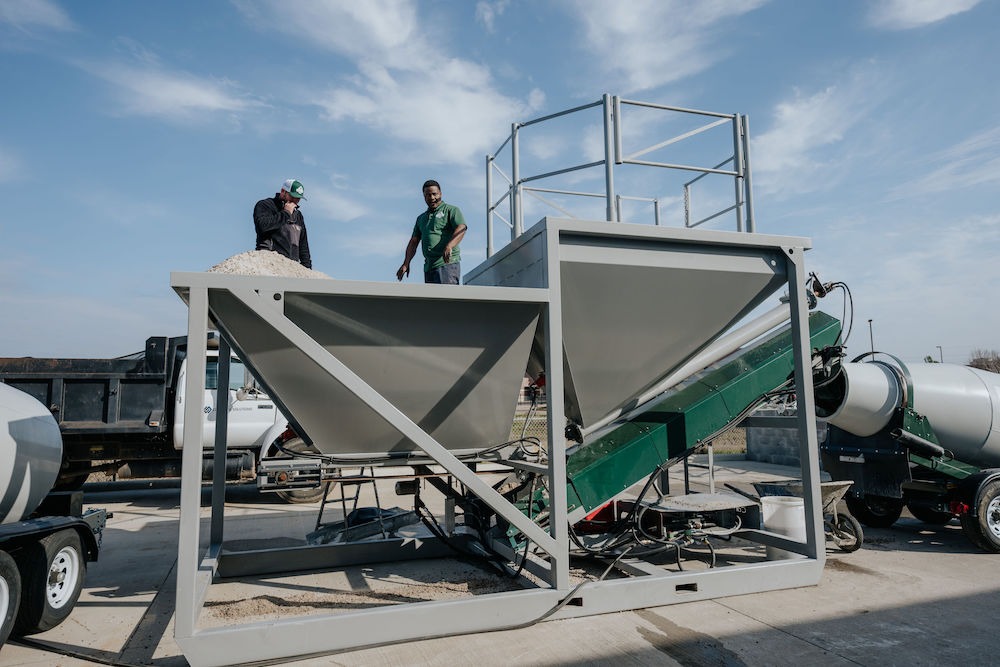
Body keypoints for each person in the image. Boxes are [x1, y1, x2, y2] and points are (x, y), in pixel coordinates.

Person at [396, 180, 467, 284]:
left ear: (440, 193)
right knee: (432, 299)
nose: (432, 198)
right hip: (429, 267)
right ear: (424, 197)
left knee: (446, 298)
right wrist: (406, 263)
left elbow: (461, 228)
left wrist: (449, 246)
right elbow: (414, 242)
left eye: (434, 194)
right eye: (428, 195)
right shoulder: (421, 218)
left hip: (447, 264)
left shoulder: (451, 210)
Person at [253, 178, 312, 269]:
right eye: (292, 196)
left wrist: (308, 271)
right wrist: (286, 213)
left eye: (298, 198)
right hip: (267, 263)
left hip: (291, 267)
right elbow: (262, 226)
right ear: (283, 191)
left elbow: (303, 247)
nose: (295, 201)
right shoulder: (265, 205)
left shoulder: (298, 216)